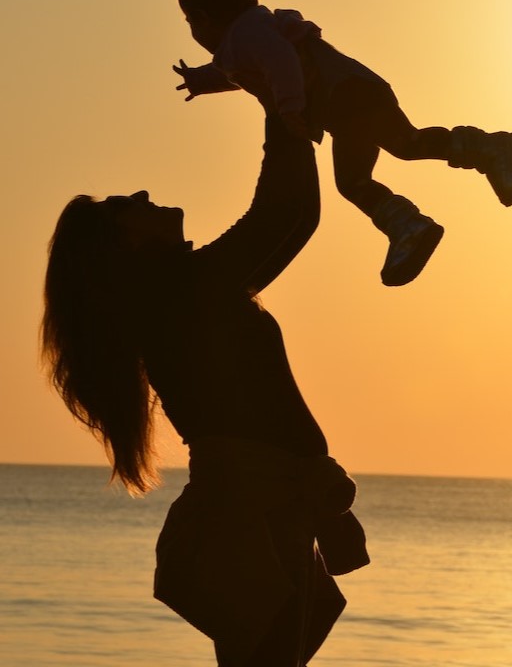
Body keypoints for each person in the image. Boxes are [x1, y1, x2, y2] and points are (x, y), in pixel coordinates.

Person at [40, 102, 368, 666]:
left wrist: (288, 112)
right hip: (250, 514)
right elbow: (282, 213)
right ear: (126, 247)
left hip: (268, 509)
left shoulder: (191, 293)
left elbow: (297, 219)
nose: (143, 196)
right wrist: (278, 100)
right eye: (127, 208)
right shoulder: (183, 294)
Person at [173, 0, 512, 287]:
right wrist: (201, 81)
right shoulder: (251, 33)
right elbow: (237, 72)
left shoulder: (245, 35)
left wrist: (290, 108)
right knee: (407, 144)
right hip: (356, 92)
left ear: (202, 18)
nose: (193, 32)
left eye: (190, 22)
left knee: (355, 180)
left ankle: (411, 226)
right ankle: (483, 150)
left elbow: (279, 62)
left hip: (346, 99)